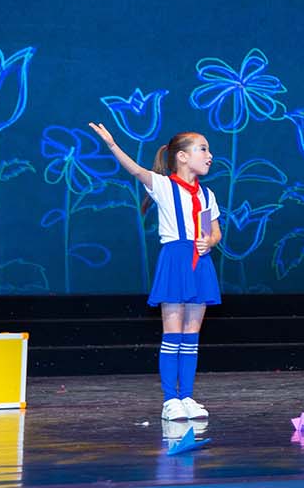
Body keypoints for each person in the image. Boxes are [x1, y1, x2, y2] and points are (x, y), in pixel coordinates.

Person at [89, 122, 222, 421]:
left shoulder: (207, 194)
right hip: (175, 259)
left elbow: (214, 231)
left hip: (200, 262)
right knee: (173, 332)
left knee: (191, 335)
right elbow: (136, 170)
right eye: (203, 149)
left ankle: (187, 396)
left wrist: (210, 241)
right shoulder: (163, 186)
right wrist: (112, 144)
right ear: (182, 157)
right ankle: (170, 399)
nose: (209, 155)